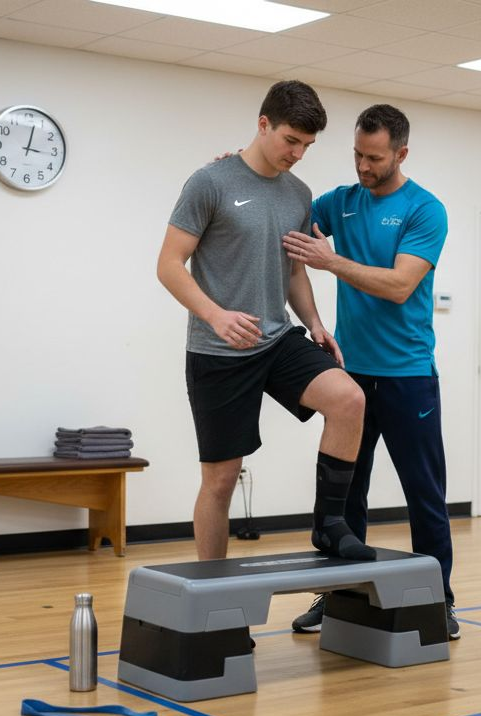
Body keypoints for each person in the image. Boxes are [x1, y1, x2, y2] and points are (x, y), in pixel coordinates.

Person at [156, 80, 374, 563]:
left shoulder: (299, 193)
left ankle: (331, 526)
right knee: (220, 481)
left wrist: (314, 322)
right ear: (263, 125)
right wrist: (215, 315)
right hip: (219, 350)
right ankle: (214, 599)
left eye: (307, 145)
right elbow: (169, 265)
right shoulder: (209, 183)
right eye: (290, 140)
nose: (297, 153)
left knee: (348, 399)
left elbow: (294, 268)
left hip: (276, 338)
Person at [281, 104, 457, 638]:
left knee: (424, 495)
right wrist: (238, 169)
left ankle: (439, 600)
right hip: (351, 375)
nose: (363, 165)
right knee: (347, 495)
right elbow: (282, 208)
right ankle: (338, 594)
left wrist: (330, 261)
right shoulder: (342, 203)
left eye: (374, 157)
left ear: (401, 153)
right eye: (357, 153)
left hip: (408, 377)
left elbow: (400, 285)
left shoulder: (425, 210)